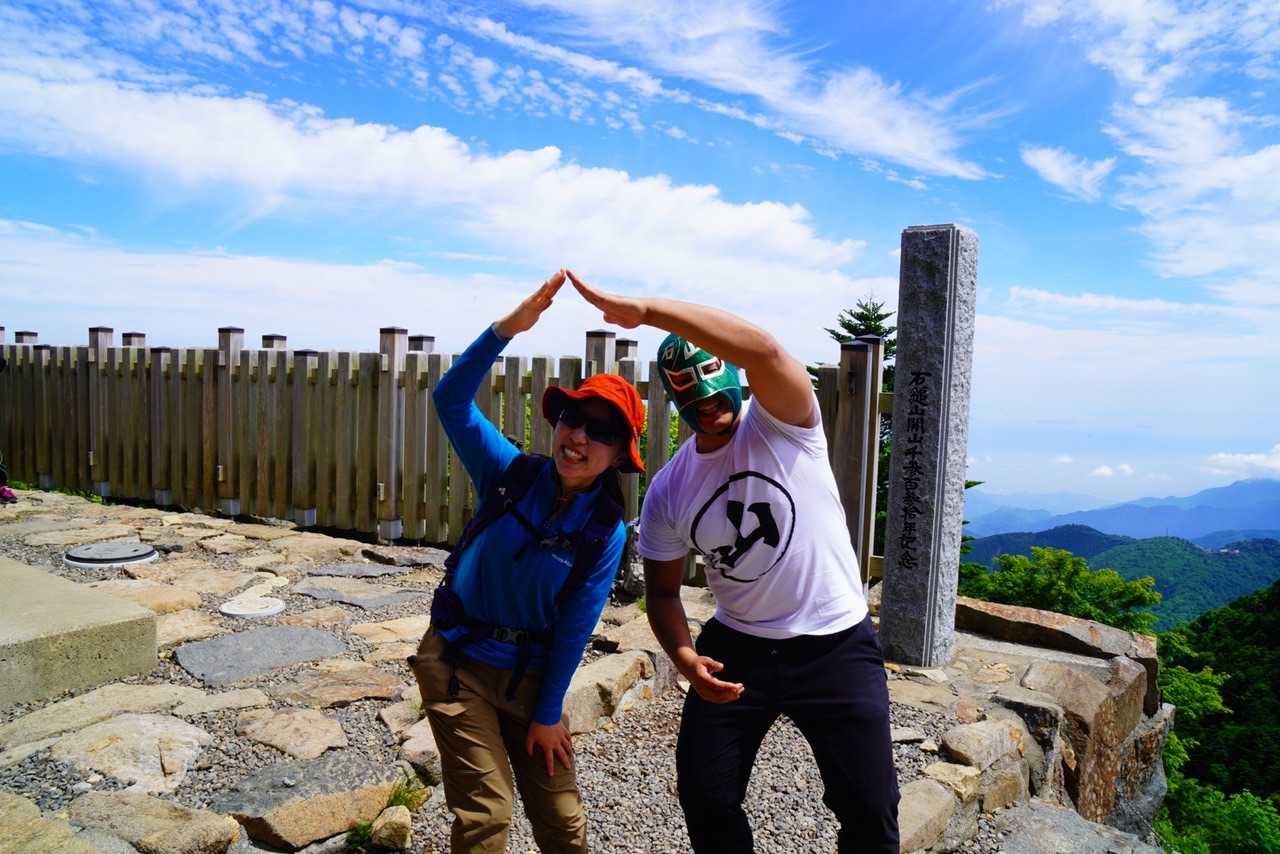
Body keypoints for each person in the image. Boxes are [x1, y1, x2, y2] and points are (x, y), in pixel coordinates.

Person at [567, 269, 900, 852]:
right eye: (690, 394)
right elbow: (663, 593)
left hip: (836, 641)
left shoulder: (784, 424)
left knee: (870, 807)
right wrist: (685, 657)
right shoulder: (670, 489)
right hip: (737, 646)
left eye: (714, 385)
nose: (706, 402)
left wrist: (647, 310)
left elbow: (764, 350)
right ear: (675, 401)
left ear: (734, 378)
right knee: (706, 793)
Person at [412, 270, 646, 853]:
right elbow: (449, 400)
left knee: (563, 821)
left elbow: (575, 627)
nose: (579, 437)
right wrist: (505, 330)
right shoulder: (510, 473)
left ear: (620, 454)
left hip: (532, 677)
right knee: (487, 814)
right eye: (574, 419)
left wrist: (547, 713)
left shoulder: (603, 530)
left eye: (601, 431)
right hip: (459, 660)